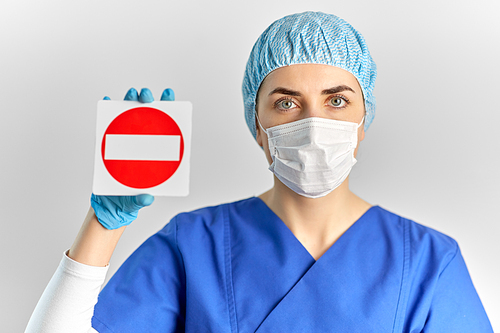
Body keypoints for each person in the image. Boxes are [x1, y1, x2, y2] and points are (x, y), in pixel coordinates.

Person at [25, 11, 493, 332]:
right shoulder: (194, 246)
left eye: (337, 100)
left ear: (363, 122)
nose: (314, 124)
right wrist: (103, 225)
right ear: (258, 126)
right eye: (286, 103)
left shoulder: (429, 262)